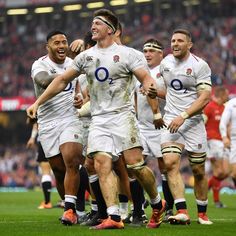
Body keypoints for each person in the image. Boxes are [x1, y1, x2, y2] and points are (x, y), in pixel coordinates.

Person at [27, 9, 166, 230]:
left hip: (123, 116)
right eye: (92, 23)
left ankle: (158, 202)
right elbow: (62, 80)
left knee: (135, 166)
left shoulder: (129, 54)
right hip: (99, 120)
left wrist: (150, 84)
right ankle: (113, 216)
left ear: (109, 30)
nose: (92, 26)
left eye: (97, 23)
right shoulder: (85, 57)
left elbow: (145, 77)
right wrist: (37, 102)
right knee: (101, 165)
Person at [155, 29, 213, 225]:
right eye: (173, 40)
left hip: (193, 122)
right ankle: (182, 211)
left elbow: (205, 97)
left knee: (198, 170)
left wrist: (184, 115)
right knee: (170, 163)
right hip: (171, 121)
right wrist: (153, 91)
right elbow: (169, 92)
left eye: (180, 41)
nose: (175, 44)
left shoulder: (200, 65)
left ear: (190, 44)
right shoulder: (165, 63)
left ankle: (202, 213)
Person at [29, 30, 85, 226]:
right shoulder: (40, 64)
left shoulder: (72, 63)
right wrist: (64, 77)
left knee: (72, 160)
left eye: (64, 42)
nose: (61, 46)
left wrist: (79, 98)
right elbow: (44, 81)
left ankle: (70, 211)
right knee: (59, 171)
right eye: (56, 43)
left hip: (70, 118)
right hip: (48, 122)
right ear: (48, 47)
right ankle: (74, 209)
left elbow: (78, 90)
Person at [135, 38, 174, 224]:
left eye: (151, 50)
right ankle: (142, 202)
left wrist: (153, 92)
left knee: (165, 167)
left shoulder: (165, 71)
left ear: (161, 53)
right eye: (145, 50)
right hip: (141, 126)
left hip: (161, 125)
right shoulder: (139, 72)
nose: (147, 54)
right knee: (135, 165)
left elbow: (173, 95)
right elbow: (135, 96)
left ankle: (170, 208)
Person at [203, 86, 230, 208]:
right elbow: (202, 123)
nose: (228, 96)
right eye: (226, 94)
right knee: (218, 171)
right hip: (212, 141)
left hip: (223, 143)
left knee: (225, 172)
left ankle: (206, 188)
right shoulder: (210, 107)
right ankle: (216, 201)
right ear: (221, 94)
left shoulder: (225, 108)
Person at [26, 121, 53, 209]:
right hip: (62, 137)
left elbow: (32, 121)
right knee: (65, 170)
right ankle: (67, 201)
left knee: (46, 172)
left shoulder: (38, 107)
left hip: (44, 138)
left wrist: (32, 138)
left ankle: (47, 202)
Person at [219, 97, 236, 191]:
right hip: (234, 140)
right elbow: (223, 123)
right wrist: (224, 137)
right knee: (234, 173)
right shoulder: (232, 103)